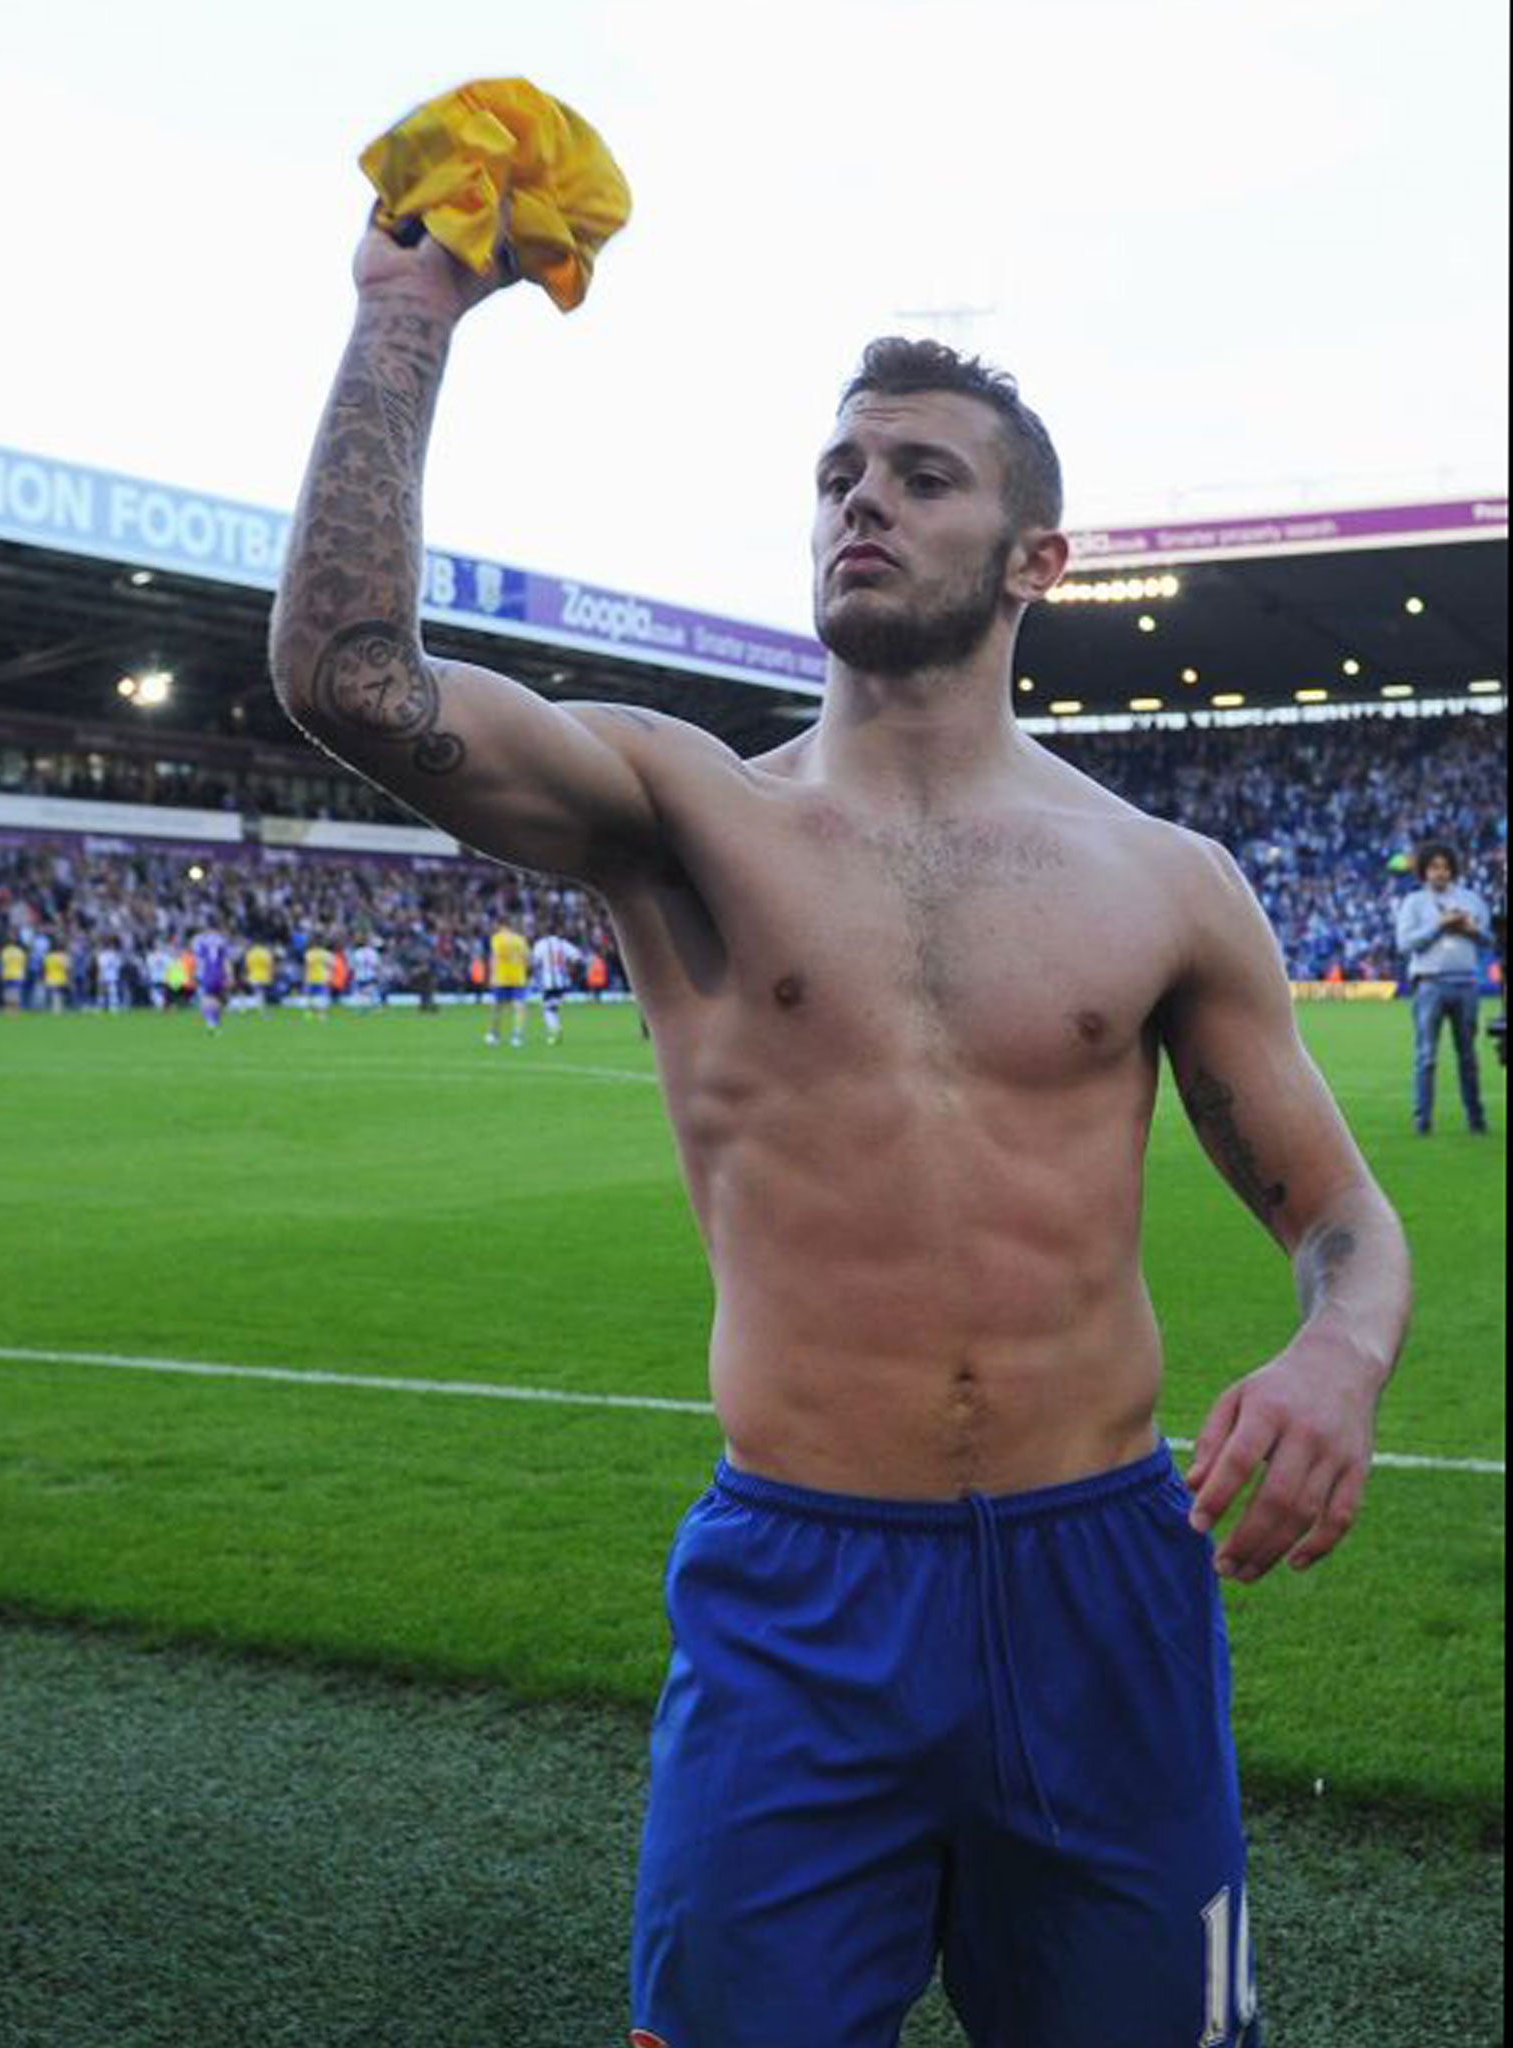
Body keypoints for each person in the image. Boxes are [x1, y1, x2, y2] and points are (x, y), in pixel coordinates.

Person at [270, 211, 1412, 2048]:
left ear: (1035, 555)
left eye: (920, 474)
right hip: (801, 1598)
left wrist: (1339, 1354)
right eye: (837, 472)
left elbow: (1343, 1217)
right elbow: (348, 678)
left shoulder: (1167, 880)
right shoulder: (683, 812)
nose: (859, 499)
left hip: (1102, 1582)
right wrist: (405, 317)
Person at [1393, 842, 1492, 1135]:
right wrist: (1440, 924)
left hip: (1466, 984)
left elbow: (1489, 938)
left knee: (1468, 1056)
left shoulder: (1472, 899)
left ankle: (1476, 1120)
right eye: (1435, 867)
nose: (1441, 872)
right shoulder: (1414, 902)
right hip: (1430, 984)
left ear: (1453, 870)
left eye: (1446, 867)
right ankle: (1422, 1122)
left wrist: (1472, 930)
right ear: (1424, 871)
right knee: (1426, 1056)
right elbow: (1405, 944)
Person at [531, 926, 584, 1044]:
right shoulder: (563, 943)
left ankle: (555, 1032)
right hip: (562, 981)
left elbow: (535, 962)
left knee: (548, 1009)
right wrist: (571, 971)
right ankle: (556, 1031)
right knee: (553, 1008)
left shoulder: (540, 944)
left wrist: (535, 977)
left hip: (548, 982)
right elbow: (578, 957)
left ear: (545, 932)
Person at [485, 917, 531, 1046]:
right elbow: (528, 959)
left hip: (501, 977)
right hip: (518, 978)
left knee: (497, 1008)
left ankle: (494, 1035)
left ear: (500, 925)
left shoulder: (497, 938)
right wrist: (525, 973)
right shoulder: (520, 939)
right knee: (519, 1007)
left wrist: (492, 975)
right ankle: (517, 1036)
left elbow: (494, 957)